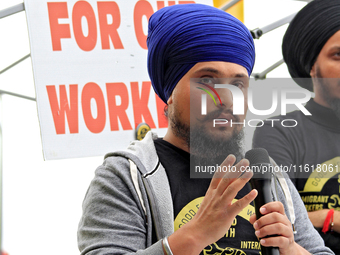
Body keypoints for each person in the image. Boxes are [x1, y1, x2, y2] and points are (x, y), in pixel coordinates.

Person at [78, 4, 333, 255]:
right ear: (170, 93)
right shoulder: (126, 176)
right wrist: (194, 235)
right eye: (207, 80)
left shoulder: (267, 175)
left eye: (237, 83)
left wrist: (291, 248)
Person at [252, 0, 340, 253]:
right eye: (338, 55)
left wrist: (324, 217)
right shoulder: (279, 131)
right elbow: (276, 219)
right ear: (312, 66)